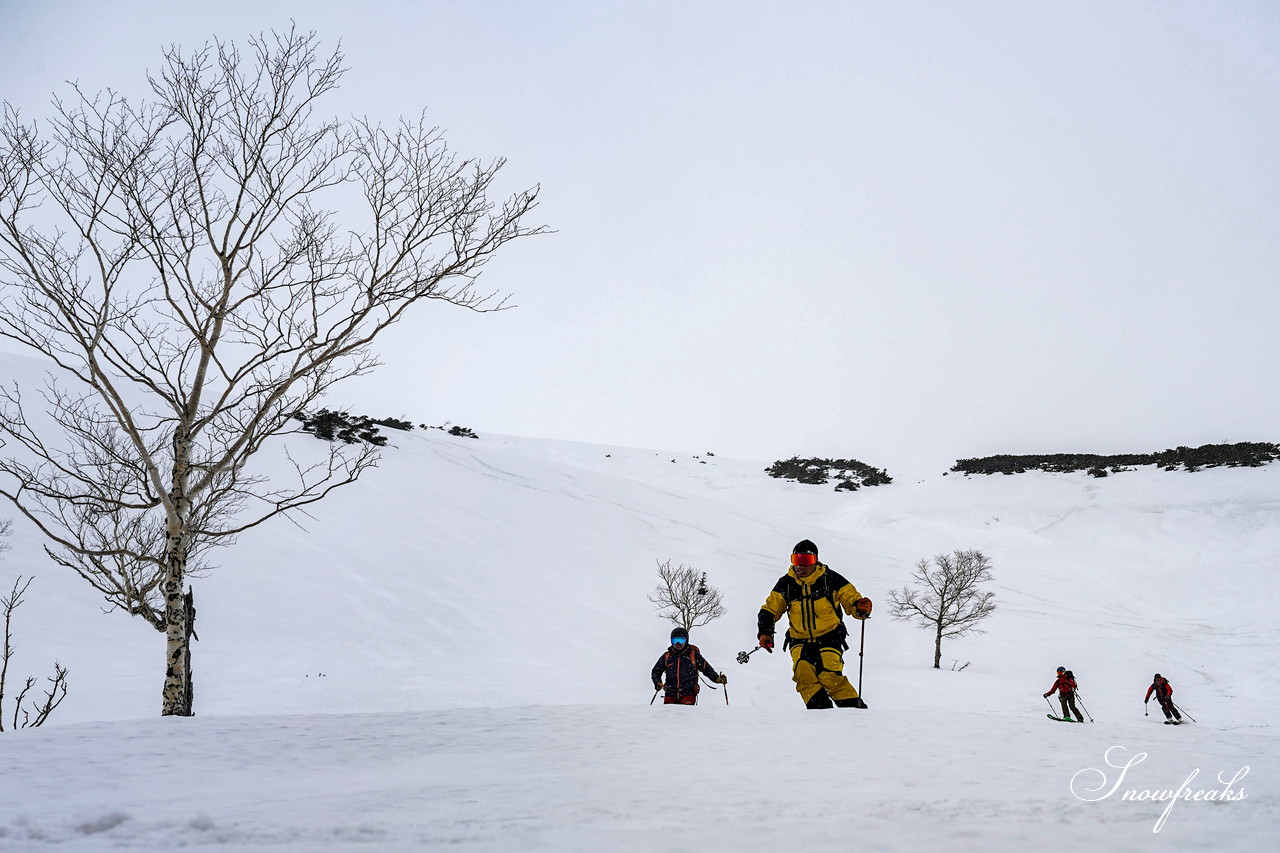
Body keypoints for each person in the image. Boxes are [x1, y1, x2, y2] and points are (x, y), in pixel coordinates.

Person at [756, 539, 872, 709]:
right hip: (799, 639)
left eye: (806, 561)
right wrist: (765, 632)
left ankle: (854, 712)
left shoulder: (831, 579)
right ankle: (821, 715)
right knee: (803, 673)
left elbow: (851, 600)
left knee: (829, 675)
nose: (800, 566)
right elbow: (769, 610)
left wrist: (860, 608)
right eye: (796, 560)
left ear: (815, 561)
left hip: (830, 637)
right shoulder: (786, 584)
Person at [651, 626, 725, 705]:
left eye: (681, 640)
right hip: (670, 694)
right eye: (675, 640)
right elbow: (656, 671)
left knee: (686, 716)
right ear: (671, 641)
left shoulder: (693, 655)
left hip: (688, 695)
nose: (678, 643)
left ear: (686, 640)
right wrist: (657, 682)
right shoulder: (667, 656)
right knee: (668, 716)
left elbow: (706, 668)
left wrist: (717, 678)